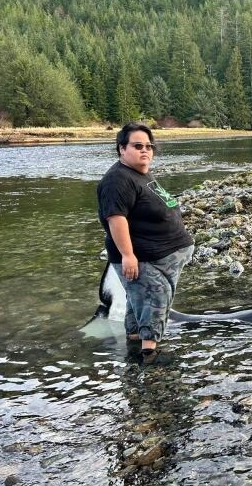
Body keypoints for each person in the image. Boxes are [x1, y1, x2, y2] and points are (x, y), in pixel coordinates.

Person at [97, 122, 194, 365]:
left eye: (149, 146)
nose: (145, 150)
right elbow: (115, 219)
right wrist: (128, 255)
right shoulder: (117, 180)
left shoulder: (139, 173)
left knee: (137, 302)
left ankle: (132, 344)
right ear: (121, 148)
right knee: (155, 299)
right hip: (143, 257)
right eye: (137, 146)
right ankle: (150, 356)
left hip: (161, 256)